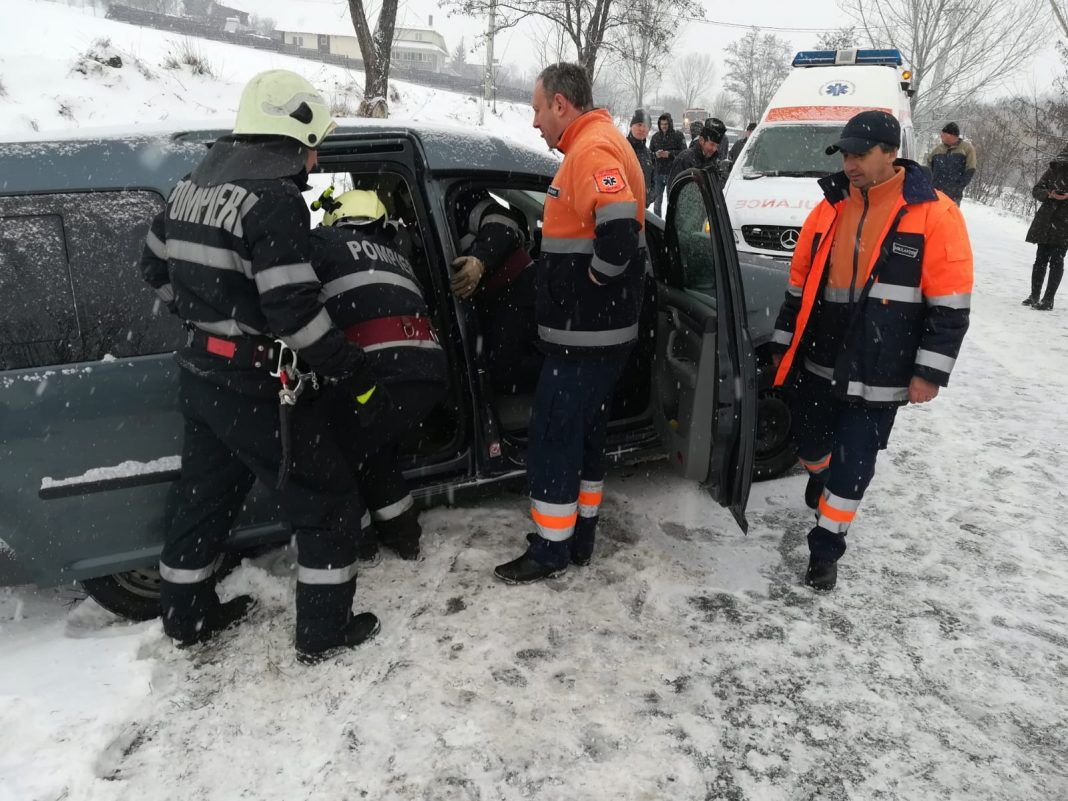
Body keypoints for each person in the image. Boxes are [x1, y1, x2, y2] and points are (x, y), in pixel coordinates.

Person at [139, 69, 382, 664]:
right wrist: (351, 369)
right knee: (327, 500)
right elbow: (295, 314)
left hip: (201, 376)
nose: (316, 157)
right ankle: (323, 634)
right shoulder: (274, 203)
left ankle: (187, 617)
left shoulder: (188, 186)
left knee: (203, 497)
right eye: (311, 144)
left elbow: (153, 272)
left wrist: (207, 320)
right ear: (288, 135)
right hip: (254, 387)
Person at [769, 110, 973, 591]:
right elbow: (799, 286)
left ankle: (826, 549)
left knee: (855, 463)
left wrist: (930, 372)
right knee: (808, 441)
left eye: (860, 154)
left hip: (883, 365)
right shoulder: (829, 206)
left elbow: (951, 304)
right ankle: (822, 475)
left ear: (890, 154)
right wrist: (782, 344)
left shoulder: (936, 213)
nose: (850, 163)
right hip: (822, 353)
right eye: (845, 153)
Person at [494, 62, 646, 584]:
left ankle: (549, 550)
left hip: (587, 334)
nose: (535, 121)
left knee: (555, 435)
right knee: (583, 436)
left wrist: (592, 286)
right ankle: (579, 537)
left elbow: (619, 235)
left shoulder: (592, 150)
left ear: (561, 103)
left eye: (538, 108)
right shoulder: (597, 144)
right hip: (595, 334)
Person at [311, 189, 448, 560]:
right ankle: (404, 535)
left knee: (332, 458)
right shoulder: (397, 257)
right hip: (428, 373)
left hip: (379, 374)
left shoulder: (322, 243)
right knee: (372, 448)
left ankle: (359, 545)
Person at [450, 188, 542, 394]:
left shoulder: (463, 198)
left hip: (518, 287)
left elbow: (503, 221)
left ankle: (562, 383)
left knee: (504, 369)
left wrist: (479, 261)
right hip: (487, 298)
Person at [1022, 146, 1068, 310]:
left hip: (1064, 223)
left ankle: (1048, 299)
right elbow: (1036, 190)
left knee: (1056, 261)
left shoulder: (1055, 169)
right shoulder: (1053, 171)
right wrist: (1049, 194)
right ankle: (1035, 295)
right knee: (1040, 259)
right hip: (1047, 221)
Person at [926, 122, 977, 205]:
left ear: (951, 135)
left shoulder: (967, 148)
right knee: (934, 216)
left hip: (954, 195)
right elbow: (928, 168)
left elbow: (970, 169)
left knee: (950, 216)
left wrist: (958, 187)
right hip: (935, 193)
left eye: (943, 133)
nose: (941, 135)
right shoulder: (937, 149)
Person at [668, 119, 725, 188]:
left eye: (717, 146)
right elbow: (673, 190)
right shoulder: (684, 159)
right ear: (701, 140)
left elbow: (715, 189)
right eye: (712, 144)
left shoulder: (713, 161)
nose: (714, 149)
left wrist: (724, 177)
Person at [649, 112, 685, 216]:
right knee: (657, 202)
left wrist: (670, 154)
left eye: (666, 124)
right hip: (658, 173)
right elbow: (650, 154)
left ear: (670, 124)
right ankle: (657, 224)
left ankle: (670, 226)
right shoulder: (655, 137)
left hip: (672, 173)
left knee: (672, 202)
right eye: (662, 124)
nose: (664, 126)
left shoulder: (678, 136)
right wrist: (655, 154)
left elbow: (684, 153)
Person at [627, 109, 654, 207]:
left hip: (642, 209)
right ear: (631, 126)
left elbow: (654, 180)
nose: (642, 129)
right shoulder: (621, 149)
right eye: (639, 124)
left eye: (646, 126)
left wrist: (648, 198)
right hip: (623, 209)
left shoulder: (649, 154)